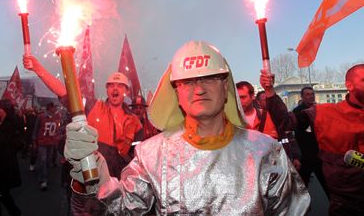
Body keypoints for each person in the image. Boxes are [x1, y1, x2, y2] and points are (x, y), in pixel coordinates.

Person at [65, 40, 310, 215]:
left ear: (226, 88)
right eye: (188, 81)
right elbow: (119, 210)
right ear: (177, 93)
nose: (199, 89)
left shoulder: (266, 152)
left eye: (210, 78)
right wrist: (91, 177)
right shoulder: (151, 154)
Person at [23, 55, 143, 179]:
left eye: (120, 85)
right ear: (107, 89)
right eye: (111, 85)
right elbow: (65, 92)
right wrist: (38, 68)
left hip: (119, 183)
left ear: (126, 91)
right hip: (91, 178)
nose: (115, 88)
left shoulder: (135, 122)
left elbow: (138, 158)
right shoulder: (93, 107)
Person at [296, 64, 364, 215]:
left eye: (312, 94)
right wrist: (269, 93)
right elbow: (285, 123)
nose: (310, 96)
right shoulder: (322, 113)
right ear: (349, 86)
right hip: (346, 202)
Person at [292, 86, 329, 198]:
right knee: (302, 188)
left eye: (312, 94)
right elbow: (303, 126)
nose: (310, 96)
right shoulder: (298, 111)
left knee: (328, 185)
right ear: (302, 97)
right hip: (305, 155)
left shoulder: (319, 109)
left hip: (321, 154)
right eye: (307, 94)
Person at [32, 102, 62, 190]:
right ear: (50, 108)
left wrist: (59, 137)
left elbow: (57, 129)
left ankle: (42, 175)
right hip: (42, 142)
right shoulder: (41, 117)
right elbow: (36, 129)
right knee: (43, 160)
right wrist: (34, 141)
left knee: (47, 161)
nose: (55, 109)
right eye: (54, 108)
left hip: (51, 143)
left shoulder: (57, 117)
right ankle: (44, 180)